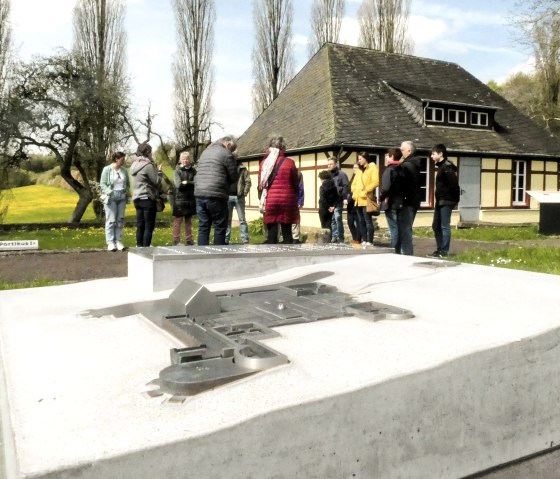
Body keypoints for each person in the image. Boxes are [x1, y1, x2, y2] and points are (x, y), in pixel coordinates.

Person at [194, 136, 238, 245]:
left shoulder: (205, 152)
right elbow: (234, 176)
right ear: (227, 144)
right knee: (220, 226)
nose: (231, 152)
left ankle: (201, 255)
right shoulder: (226, 154)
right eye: (231, 149)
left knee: (203, 226)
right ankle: (218, 256)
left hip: (199, 193)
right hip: (216, 194)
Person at [258, 136, 300, 244]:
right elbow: (296, 182)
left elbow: (260, 184)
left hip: (270, 200)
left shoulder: (263, 163)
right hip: (287, 199)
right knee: (287, 231)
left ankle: (272, 256)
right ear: (283, 146)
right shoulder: (289, 162)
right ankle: (288, 256)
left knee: (271, 230)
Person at [429, 143, 460, 257]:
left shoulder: (447, 167)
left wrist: (454, 201)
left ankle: (444, 250)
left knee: (444, 225)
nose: (431, 156)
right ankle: (440, 249)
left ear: (441, 154)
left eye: (433, 154)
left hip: (446, 201)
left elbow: (454, 185)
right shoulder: (442, 167)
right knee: (436, 226)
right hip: (440, 200)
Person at [131, 142, 162, 247]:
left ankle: (139, 247)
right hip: (147, 198)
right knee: (149, 226)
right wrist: (159, 172)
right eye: (151, 152)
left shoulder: (134, 164)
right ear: (148, 152)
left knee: (140, 225)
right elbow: (156, 181)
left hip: (136, 198)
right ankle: (146, 249)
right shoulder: (147, 165)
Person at [100, 151, 131, 252]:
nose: (123, 161)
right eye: (122, 159)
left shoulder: (124, 171)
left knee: (120, 220)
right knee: (111, 220)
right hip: (111, 197)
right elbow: (103, 184)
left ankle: (118, 241)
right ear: (116, 159)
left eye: (123, 159)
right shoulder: (107, 169)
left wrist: (126, 192)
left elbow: (127, 184)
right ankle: (110, 242)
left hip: (121, 197)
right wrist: (110, 192)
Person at [399, 140, 423, 255]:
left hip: (408, 200)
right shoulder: (414, 164)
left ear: (409, 151)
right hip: (413, 200)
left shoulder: (407, 165)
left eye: (402, 149)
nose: (400, 151)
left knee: (405, 227)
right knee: (406, 227)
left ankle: (407, 253)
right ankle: (406, 251)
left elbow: (404, 184)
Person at [351, 152, 379, 246]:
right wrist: (354, 194)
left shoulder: (372, 168)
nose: (359, 161)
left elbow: (376, 182)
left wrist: (366, 190)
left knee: (367, 220)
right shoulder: (359, 171)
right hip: (358, 199)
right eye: (358, 159)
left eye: (360, 159)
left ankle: (370, 241)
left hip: (366, 198)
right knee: (360, 221)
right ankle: (364, 239)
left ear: (365, 158)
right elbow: (353, 184)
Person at [379, 148, 404, 253]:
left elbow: (385, 189)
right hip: (401, 202)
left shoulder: (389, 170)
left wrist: (381, 198)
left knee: (393, 228)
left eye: (387, 155)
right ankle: (399, 249)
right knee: (399, 228)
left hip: (391, 202)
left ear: (392, 157)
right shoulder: (402, 169)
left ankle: (394, 250)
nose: (386, 157)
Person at [172, 151, 197, 246]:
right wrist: (190, 183)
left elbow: (197, 182)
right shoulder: (177, 171)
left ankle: (189, 240)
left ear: (189, 159)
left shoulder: (194, 171)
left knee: (188, 221)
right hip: (180, 199)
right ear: (180, 160)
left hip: (190, 199)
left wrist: (187, 182)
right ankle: (176, 240)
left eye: (187, 159)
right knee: (178, 221)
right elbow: (178, 185)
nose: (185, 161)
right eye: (183, 159)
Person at [226, 156, 251, 244]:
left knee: (242, 219)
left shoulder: (242, 168)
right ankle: (226, 239)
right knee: (227, 219)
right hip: (228, 197)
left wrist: (244, 193)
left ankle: (245, 239)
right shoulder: (226, 167)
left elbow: (248, 181)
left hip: (239, 197)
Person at [326, 156, 349, 243]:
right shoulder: (328, 175)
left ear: (336, 164)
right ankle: (334, 236)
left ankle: (340, 237)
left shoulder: (341, 174)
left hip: (338, 199)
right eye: (328, 164)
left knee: (337, 217)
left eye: (331, 164)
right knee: (332, 220)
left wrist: (345, 198)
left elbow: (346, 186)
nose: (329, 166)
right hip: (330, 201)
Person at [346, 162, 361, 245]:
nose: (354, 169)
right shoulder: (352, 178)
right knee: (350, 223)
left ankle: (358, 239)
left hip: (357, 203)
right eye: (354, 167)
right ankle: (355, 238)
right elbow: (349, 190)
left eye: (356, 167)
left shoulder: (360, 177)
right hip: (350, 205)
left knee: (358, 223)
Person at [291, 170, 305, 244]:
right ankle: (294, 237)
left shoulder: (298, 174)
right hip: (292, 199)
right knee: (294, 218)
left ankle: (295, 238)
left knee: (295, 219)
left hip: (294, 199)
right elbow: (301, 188)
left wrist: (300, 201)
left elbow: (301, 187)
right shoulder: (298, 173)